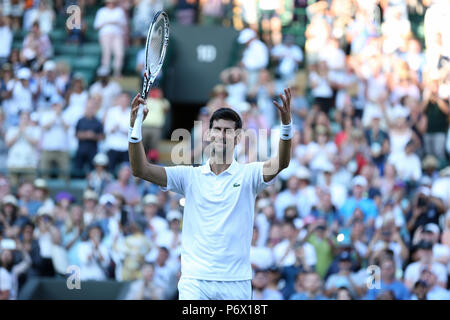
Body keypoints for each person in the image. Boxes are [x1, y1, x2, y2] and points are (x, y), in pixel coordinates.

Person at [128, 87, 293, 300]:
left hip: (236, 283)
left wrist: (286, 126)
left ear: (238, 137)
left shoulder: (248, 175)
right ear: (209, 134)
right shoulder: (189, 176)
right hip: (194, 281)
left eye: (228, 130)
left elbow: (281, 162)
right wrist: (135, 128)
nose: (222, 135)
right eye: (217, 129)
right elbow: (140, 169)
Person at [94, 0, 127, 78]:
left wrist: (112, 22)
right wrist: (109, 22)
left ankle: (117, 72)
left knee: (119, 53)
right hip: (105, 35)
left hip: (118, 35)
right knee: (106, 53)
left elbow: (124, 23)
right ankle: (105, 73)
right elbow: (97, 25)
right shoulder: (101, 11)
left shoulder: (119, 11)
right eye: (109, 2)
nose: (110, 4)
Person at [74, 99, 104, 176]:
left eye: (92, 108)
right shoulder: (80, 120)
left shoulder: (98, 122)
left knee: (93, 171)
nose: (90, 110)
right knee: (78, 171)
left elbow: (102, 136)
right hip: (81, 150)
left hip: (93, 151)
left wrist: (93, 136)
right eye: (88, 108)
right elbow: (76, 134)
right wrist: (86, 135)